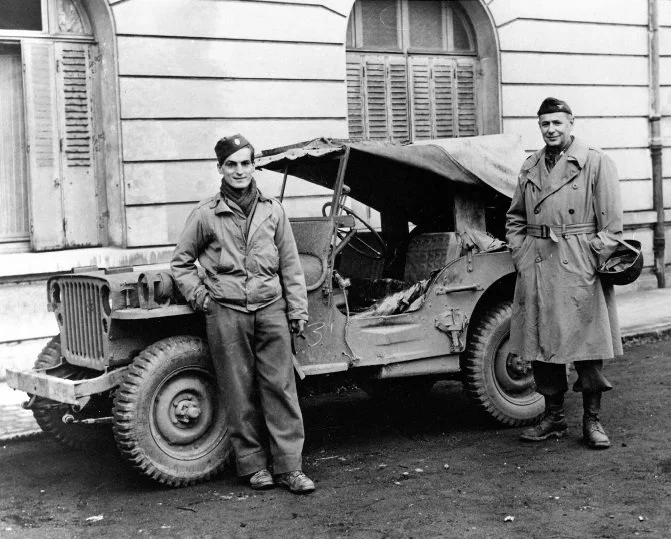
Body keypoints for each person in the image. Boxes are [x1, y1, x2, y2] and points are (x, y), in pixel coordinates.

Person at [171, 133, 315, 493]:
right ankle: (253, 466)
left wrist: (296, 309)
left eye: (246, 163)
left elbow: (290, 265)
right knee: (238, 391)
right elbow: (181, 263)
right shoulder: (206, 214)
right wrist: (201, 297)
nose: (239, 171)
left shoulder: (273, 210)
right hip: (227, 311)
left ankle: (290, 468)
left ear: (254, 166)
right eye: (231, 164)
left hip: (271, 309)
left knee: (280, 388)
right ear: (220, 168)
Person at [506, 98, 623, 450]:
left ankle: (592, 420)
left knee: (587, 344)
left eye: (557, 122)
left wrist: (589, 256)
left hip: (578, 263)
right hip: (538, 263)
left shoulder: (595, 162)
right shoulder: (530, 166)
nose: (551, 130)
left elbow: (612, 226)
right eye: (545, 124)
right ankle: (554, 418)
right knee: (542, 343)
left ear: (571, 122)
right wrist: (522, 254)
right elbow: (515, 218)